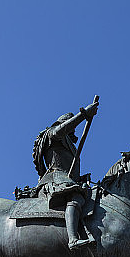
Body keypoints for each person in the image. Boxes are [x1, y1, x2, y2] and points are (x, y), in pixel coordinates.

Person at [32, 100, 99, 249]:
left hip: (67, 179)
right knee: (75, 197)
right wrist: (83, 115)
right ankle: (73, 239)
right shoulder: (52, 134)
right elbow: (60, 131)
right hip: (56, 178)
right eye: (71, 127)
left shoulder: (69, 145)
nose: (73, 131)